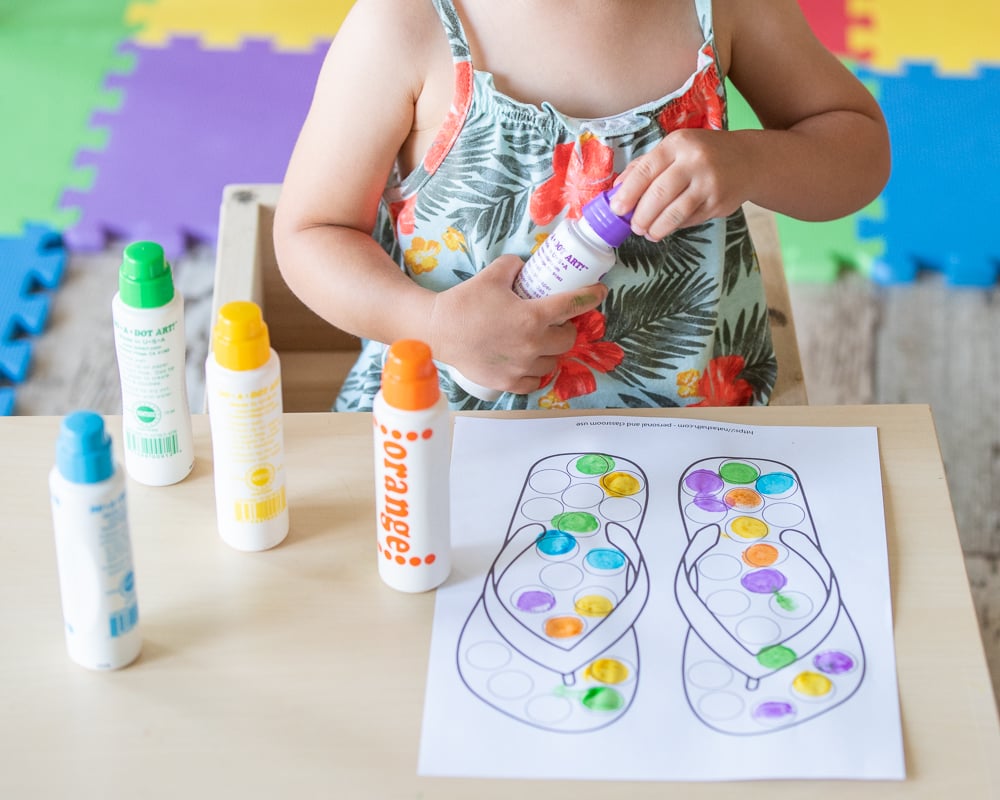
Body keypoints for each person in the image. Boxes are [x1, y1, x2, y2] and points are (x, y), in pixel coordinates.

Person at [273, 0, 890, 411]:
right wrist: (431, 325)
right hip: (447, 427)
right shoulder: (405, 22)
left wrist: (753, 160)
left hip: (695, 436)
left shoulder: (721, 7)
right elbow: (310, 232)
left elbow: (859, 152)